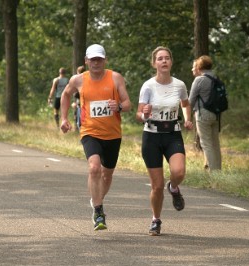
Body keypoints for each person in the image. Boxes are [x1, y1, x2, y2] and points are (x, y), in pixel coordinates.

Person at [60, 44, 131, 231]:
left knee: (107, 175)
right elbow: (66, 95)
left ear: (105, 60)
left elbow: (128, 103)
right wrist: (64, 118)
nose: (96, 63)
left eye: (99, 59)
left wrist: (119, 106)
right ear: (86, 61)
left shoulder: (115, 78)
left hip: (113, 134)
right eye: (93, 59)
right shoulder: (78, 80)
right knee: (94, 168)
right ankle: (99, 211)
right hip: (90, 132)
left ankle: (96, 199)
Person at [136, 46, 193, 236]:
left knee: (179, 171)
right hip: (151, 135)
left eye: (167, 58)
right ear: (154, 63)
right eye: (160, 59)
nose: (164, 61)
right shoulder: (148, 86)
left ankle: (174, 188)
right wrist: (144, 114)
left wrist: (187, 118)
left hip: (172, 134)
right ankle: (156, 219)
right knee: (157, 186)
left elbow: (185, 104)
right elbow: (139, 114)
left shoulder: (179, 85)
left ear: (171, 62)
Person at [188, 55, 222, 171]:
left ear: (199, 67)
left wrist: (187, 116)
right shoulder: (216, 78)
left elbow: (190, 101)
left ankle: (213, 173)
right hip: (216, 115)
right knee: (215, 143)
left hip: (203, 114)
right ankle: (218, 170)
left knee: (206, 143)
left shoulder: (199, 80)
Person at [71, 65, 85, 131]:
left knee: (80, 122)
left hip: (81, 105)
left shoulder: (80, 81)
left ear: (78, 72)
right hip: (81, 104)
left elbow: (77, 94)